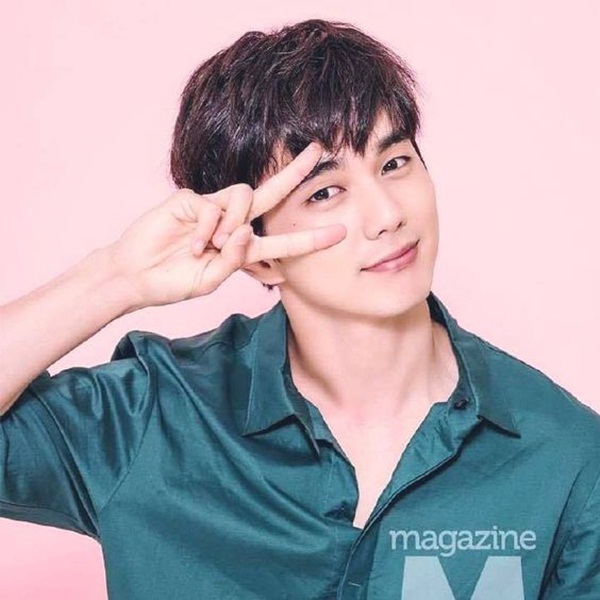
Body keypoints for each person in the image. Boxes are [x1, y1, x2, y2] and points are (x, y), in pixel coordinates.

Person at [1, 18, 599, 600]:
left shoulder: (567, 455)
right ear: (256, 254)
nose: (387, 215)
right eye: (325, 192)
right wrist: (115, 278)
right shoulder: (154, 415)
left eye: (394, 163)